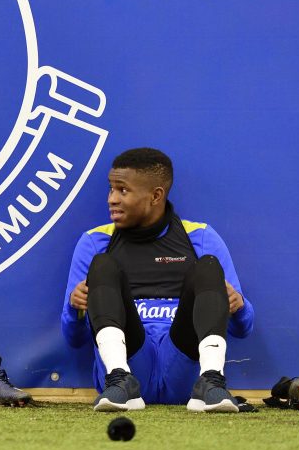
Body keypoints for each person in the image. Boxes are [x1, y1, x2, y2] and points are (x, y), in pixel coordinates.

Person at [60, 148, 254, 412]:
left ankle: (210, 382)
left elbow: (243, 328)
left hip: (183, 367)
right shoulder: (95, 242)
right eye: (111, 189)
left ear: (156, 195)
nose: (112, 199)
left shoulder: (201, 237)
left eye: (123, 191)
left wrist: (238, 305)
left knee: (208, 267)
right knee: (103, 265)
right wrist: (75, 309)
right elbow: (74, 338)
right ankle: (119, 377)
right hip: (129, 367)